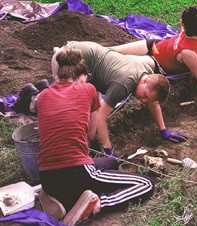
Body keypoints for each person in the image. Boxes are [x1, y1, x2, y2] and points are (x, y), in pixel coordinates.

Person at [38, 47, 155, 225]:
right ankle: (96, 205)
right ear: (83, 76)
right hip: (75, 171)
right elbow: (90, 134)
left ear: (57, 77)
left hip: (47, 177)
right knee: (146, 184)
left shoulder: (43, 96)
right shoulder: (89, 89)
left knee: (112, 163)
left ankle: (62, 199)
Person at [51, 41, 185, 158]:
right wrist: (108, 149)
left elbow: (153, 103)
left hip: (84, 60)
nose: (143, 101)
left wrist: (163, 130)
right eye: (145, 96)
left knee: (91, 112)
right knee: (73, 109)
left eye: (146, 99)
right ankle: (39, 98)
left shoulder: (147, 72)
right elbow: (100, 118)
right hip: (66, 60)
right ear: (145, 81)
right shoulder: (123, 84)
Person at [108, 5, 197, 112]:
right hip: (154, 45)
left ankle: (96, 66)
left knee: (122, 60)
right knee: (112, 50)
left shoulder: (189, 52)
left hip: (156, 62)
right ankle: (92, 52)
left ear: (183, 24)